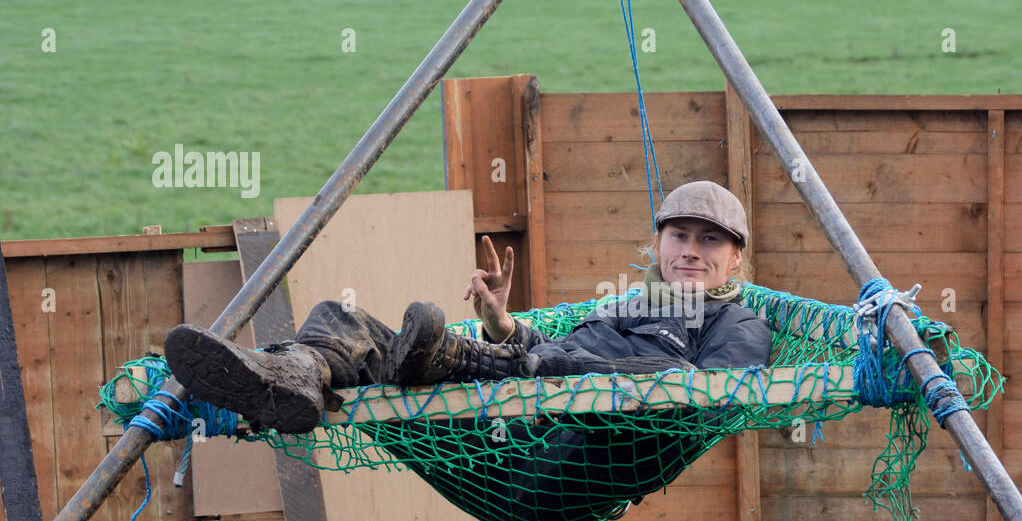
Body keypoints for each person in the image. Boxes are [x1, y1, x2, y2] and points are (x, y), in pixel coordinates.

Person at [164, 180, 774, 435]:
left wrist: (545, 368)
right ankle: (289, 376)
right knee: (340, 318)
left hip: (564, 438)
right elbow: (556, 344)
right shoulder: (636, 301)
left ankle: (448, 357)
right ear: (661, 243)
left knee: (433, 336)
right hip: (512, 386)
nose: (692, 251)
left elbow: (712, 393)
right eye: (680, 236)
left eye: (710, 239)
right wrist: (501, 323)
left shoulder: (737, 323)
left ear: (736, 259)